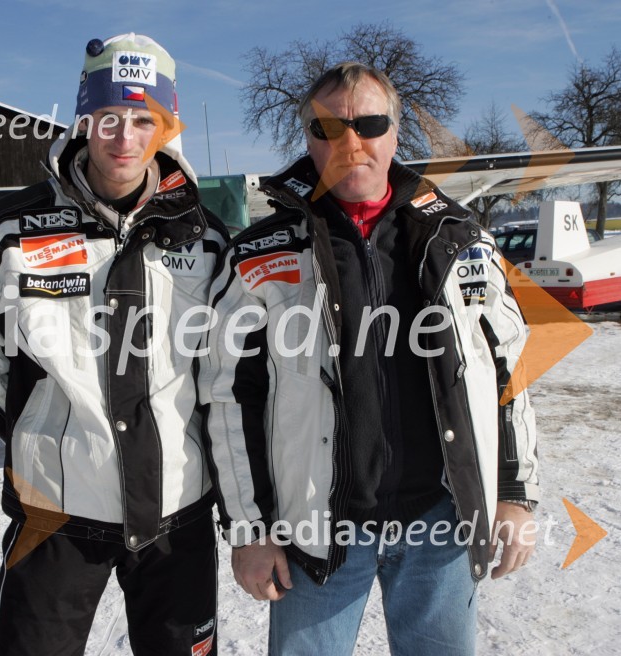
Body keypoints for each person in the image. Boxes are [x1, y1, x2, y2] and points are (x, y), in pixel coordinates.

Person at [198, 62, 539, 655]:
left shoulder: (461, 241)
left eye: (369, 123)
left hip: (441, 522)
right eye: (327, 127)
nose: (350, 143)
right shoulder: (258, 254)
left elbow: (506, 370)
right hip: (317, 532)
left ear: (395, 134)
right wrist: (251, 531)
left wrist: (512, 488)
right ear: (307, 138)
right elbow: (229, 399)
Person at [0, 33, 226, 656]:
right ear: (84, 120)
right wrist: (43, 432)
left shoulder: (205, 237)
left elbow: (220, 368)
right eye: (109, 118)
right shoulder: (10, 230)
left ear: (165, 128)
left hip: (176, 510)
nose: (124, 137)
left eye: (143, 119)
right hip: (55, 510)